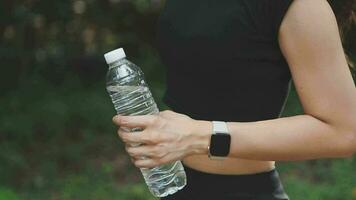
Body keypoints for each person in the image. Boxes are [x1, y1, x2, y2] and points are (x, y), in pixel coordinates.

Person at [113, 0, 356, 199]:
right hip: (176, 185)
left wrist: (200, 136)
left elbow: (343, 131)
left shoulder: (304, 6)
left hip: (244, 191)